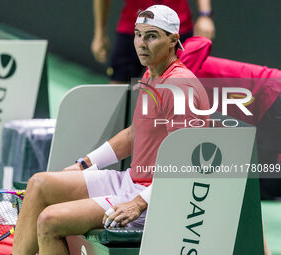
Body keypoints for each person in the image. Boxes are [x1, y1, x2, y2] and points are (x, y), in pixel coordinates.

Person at [12, 5, 210, 255]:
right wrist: (84, 164)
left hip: (157, 199)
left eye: (152, 36)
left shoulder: (181, 87)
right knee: (39, 183)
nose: (141, 43)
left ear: (173, 40)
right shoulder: (152, 74)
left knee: (49, 220)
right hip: (131, 181)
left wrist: (138, 203)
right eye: (138, 34)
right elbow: (134, 133)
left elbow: (187, 166)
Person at [91, 0, 215, 83]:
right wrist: (99, 33)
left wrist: (205, 15)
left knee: (176, 90)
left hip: (176, 30)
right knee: (118, 89)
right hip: (133, 28)